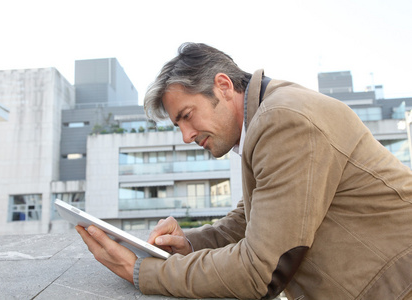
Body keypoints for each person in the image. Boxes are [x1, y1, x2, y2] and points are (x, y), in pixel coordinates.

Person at [77, 42, 412, 299]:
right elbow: (249, 221)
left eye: (187, 115)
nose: (186, 136)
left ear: (223, 86)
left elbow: (260, 271)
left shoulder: (283, 121)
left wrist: (139, 271)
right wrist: (187, 244)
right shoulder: (268, 116)